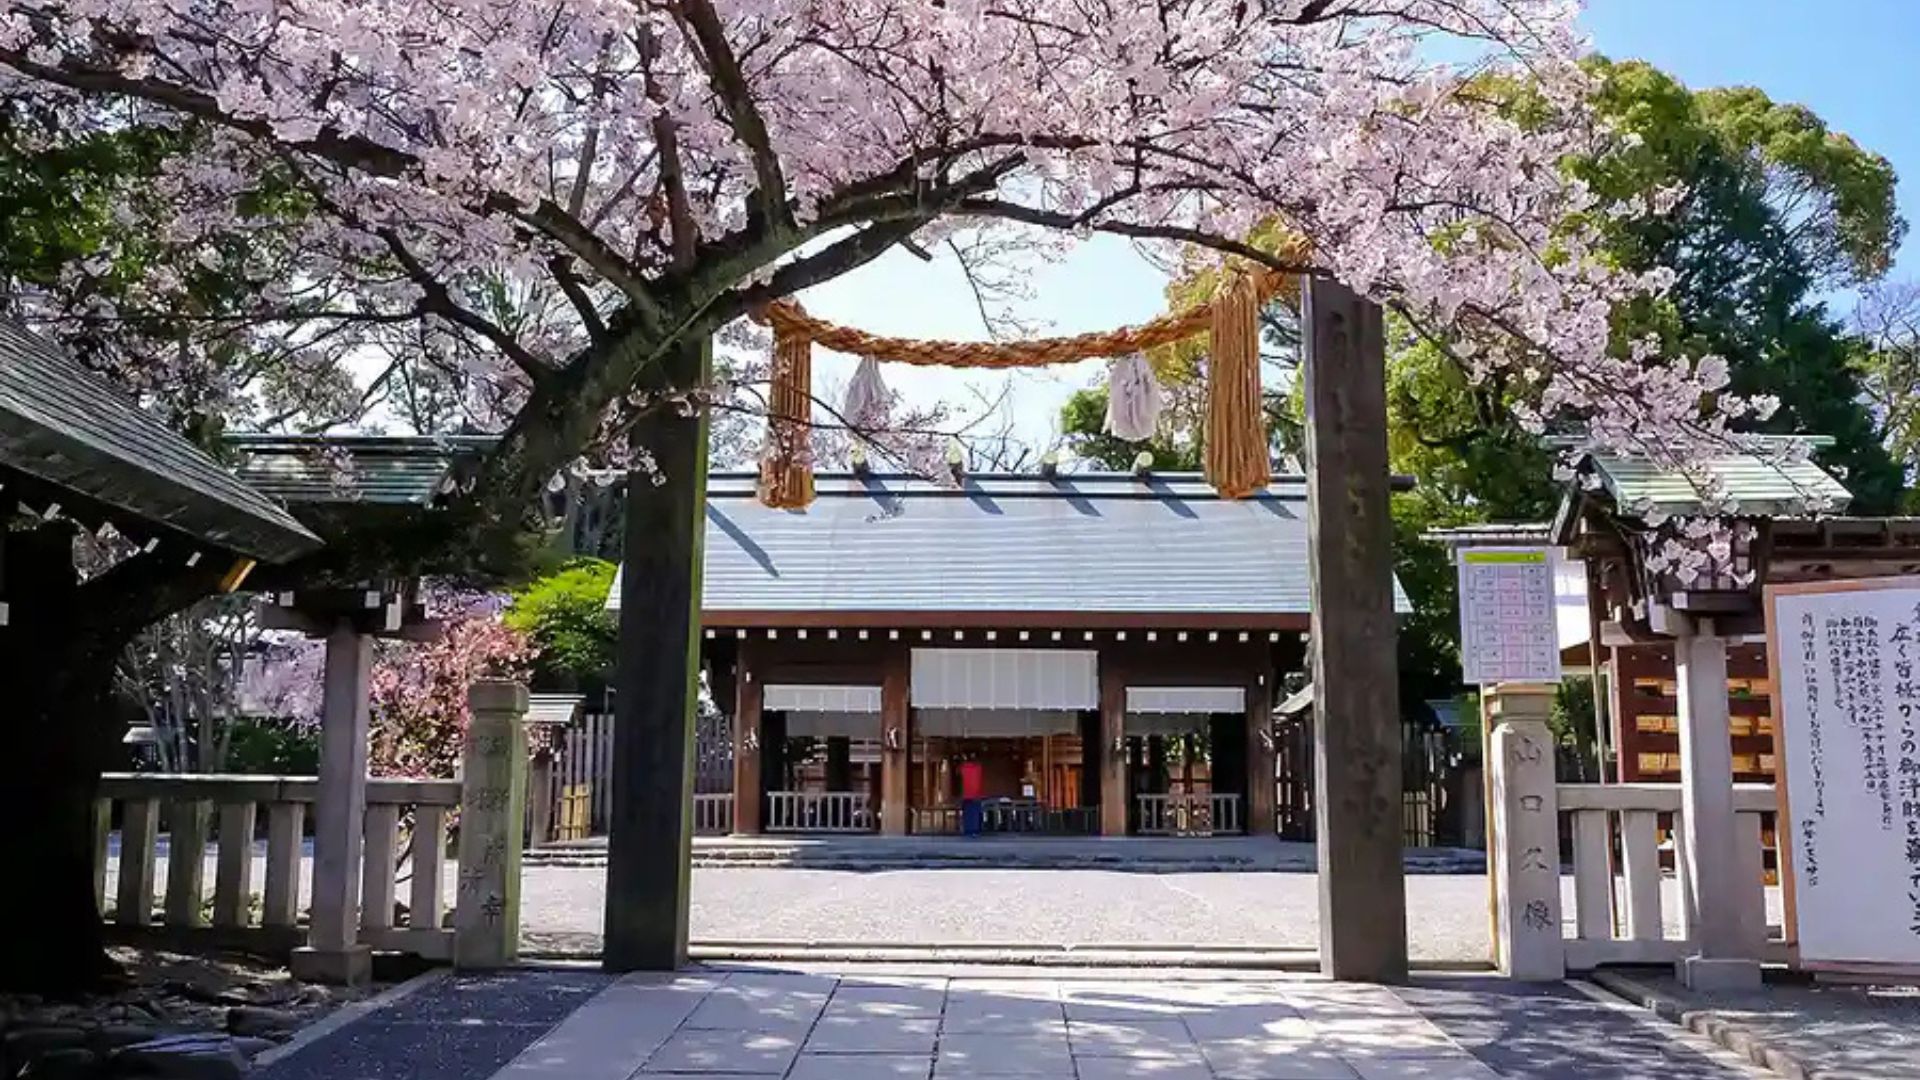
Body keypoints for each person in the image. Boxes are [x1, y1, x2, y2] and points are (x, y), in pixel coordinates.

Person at [959, 758, 984, 837]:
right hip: (976, 796)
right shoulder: (978, 768)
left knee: (968, 815)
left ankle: (968, 830)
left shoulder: (963, 768)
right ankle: (976, 830)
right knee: (976, 814)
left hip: (966, 796)